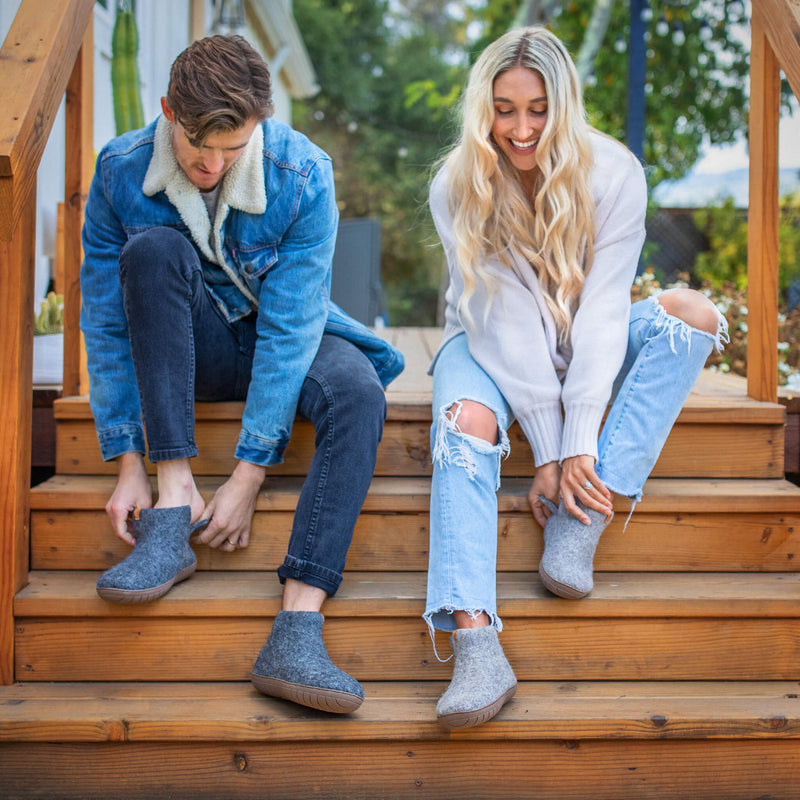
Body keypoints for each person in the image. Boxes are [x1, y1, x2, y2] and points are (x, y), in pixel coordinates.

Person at [80, 34, 403, 715]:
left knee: (358, 391)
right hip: (187, 349)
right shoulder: (118, 172)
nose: (214, 163)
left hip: (276, 337)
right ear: (169, 110)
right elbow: (108, 326)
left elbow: (289, 332)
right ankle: (173, 512)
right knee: (151, 251)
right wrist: (128, 462)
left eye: (233, 147)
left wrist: (250, 474)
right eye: (201, 145)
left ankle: (297, 629)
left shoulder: (302, 173)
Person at [424, 27, 727, 729]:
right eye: (504, 109)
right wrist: (551, 449)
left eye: (538, 110)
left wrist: (579, 451)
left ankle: (582, 517)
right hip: (487, 342)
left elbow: (602, 314)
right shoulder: (457, 184)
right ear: (483, 108)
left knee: (694, 315)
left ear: (565, 106)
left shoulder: (614, 172)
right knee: (463, 423)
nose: (521, 129)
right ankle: (475, 643)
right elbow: (504, 325)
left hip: (585, 336)